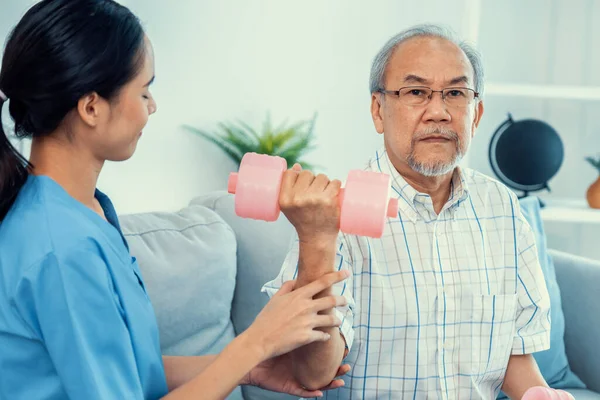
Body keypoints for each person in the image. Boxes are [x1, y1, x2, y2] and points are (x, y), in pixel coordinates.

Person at [0, 1, 350, 399]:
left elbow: (127, 368)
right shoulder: (60, 250)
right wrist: (255, 342)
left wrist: (247, 367)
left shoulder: (85, 210)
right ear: (91, 106)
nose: (152, 106)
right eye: (144, 90)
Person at [264, 24, 565, 399]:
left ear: (475, 113)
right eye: (416, 92)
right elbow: (313, 374)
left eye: (455, 93)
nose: (437, 111)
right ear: (378, 110)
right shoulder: (331, 217)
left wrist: (542, 394)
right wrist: (318, 240)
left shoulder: (501, 207)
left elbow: (515, 358)